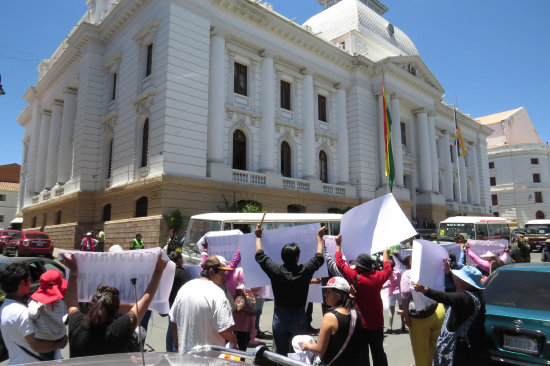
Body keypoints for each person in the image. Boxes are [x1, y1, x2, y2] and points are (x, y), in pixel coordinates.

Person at [60, 252, 167, 357]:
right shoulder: (120, 328)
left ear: (92, 304)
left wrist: (73, 271)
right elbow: (145, 301)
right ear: (115, 310)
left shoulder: (77, 324)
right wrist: (158, 271)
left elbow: (71, 302)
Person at [255, 225, 325, 356]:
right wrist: (319, 238)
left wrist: (258, 237)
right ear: (297, 257)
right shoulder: (304, 271)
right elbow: (319, 258)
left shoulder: (276, 270)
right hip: (299, 317)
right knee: (297, 353)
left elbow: (260, 256)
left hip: (280, 317)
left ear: (282, 256)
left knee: (281, 354)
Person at [413, 265, 491, 366]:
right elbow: (451, 295)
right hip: (472, 346)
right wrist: (448, 272)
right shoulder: (477, 296)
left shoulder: (464, 298)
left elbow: (446, 297)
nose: (456, 282)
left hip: (460, 349)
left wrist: (425, 290)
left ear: (467, 284)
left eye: (459, 279)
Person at [335, 235, 391, 366]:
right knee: (378, 352)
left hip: (360, 323)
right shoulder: (378, 276)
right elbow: (388, 270)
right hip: (377, 322)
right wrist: (385, 254)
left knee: (362, 354)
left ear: (359, 266)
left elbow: (340, 264)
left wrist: (338, 245)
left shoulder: (355, 276)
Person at [0, 263, 68, 365]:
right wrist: (59, 344)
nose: (30, 283)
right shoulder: (22, 313)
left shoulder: (5, 307)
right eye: (29, 280)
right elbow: (37, 345)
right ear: (23, 283)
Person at [169, 255, 237, 354]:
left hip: (185, 358)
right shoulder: (217, 293)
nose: (224, 276)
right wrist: (234, 340)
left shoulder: (185, 288)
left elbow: (174, 321)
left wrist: (177, 346)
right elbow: (224, 330)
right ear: (211, 272)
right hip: (209, 360)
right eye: (222, 273)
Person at [300, 277, 363, 366]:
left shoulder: (330, 317)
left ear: (338, 296)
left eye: (329, 292)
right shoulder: (356, 312)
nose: (325, 294)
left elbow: (320, 349)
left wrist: (306, 346)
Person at [27, 270, 68, 361]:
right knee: (56, 357)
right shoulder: (61, 302)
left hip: (43, 339)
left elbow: (32, 314)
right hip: (59, 337)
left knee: (46, 360)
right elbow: (64, 318)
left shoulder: (37, 302)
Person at [165, 251, 190, 352]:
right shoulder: (182, 273)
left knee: (171, 327)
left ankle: (169, 350)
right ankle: (173, 351)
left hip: (169, 303)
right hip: (178, 305)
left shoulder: (167, 271)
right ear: (180, 260)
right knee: (175, 328)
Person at [383, 257, 404, 333]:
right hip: (399, 293)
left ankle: (390, 327)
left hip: (391, 294)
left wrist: (380, 287)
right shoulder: (399, 272)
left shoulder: (388, 274)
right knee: (401, 310)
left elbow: (387, 284)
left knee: (391, 311)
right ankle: (403, 325)